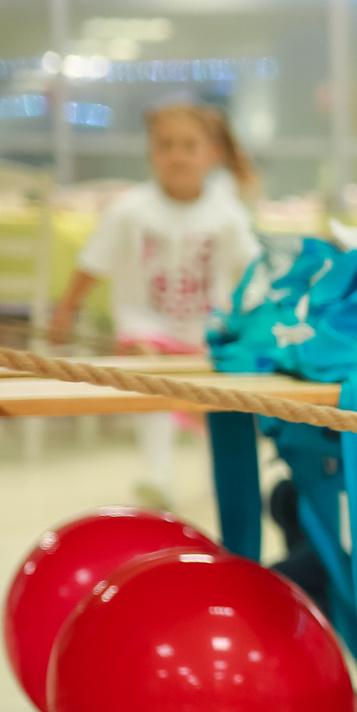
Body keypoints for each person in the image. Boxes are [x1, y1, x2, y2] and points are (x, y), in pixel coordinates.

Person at [50, 96, 263, 508]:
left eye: (188, 146)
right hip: (145, 326)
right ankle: (157, 473)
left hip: (206, 331)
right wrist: (66, 310)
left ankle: (217, 476)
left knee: (215, 406)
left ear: (212, 155)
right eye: (165, 145)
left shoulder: (227, 212)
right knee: (153, 379)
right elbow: (91, 264)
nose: (176, 156)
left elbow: (253, 270)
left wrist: (254, 321)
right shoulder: (129, 210)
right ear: (151, 152)